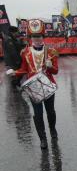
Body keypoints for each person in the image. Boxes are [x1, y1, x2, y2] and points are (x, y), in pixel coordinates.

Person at [7, 19, 59, 150]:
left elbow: (56, 71)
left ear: (43, 37)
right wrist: (15, 72)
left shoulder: (51, 51)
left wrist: (51, 66)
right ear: (30, 37)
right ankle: (43, 139)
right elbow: (24, 69)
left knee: (50, 111)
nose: (37, 39)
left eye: (39, 36)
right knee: (38, 113)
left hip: (47, 85)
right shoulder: (25, 52)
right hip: (33, 87)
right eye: (34, 36)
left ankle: (53, 130)